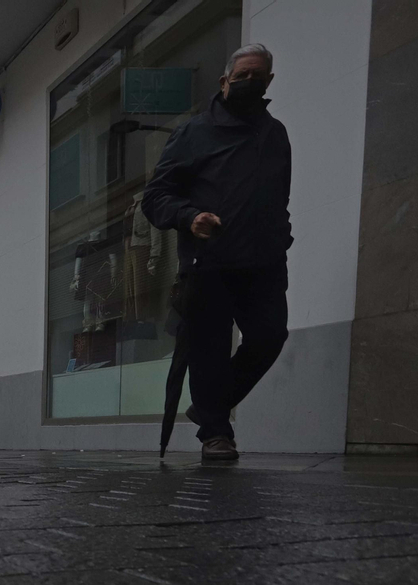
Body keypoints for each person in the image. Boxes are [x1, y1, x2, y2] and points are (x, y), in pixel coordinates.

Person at [142, 43, 291, 462]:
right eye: (241, 75)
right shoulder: (194, 132)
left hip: (263, 263)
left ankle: (209, 406)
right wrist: (190, 218)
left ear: (269, 81)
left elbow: (280, 196)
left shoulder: (275, 133)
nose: (249, 82)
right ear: (225, 81)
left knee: (269, 336)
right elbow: (155, 198)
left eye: (257, 76)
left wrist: (283, 236)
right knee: (208, 349)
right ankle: (215, 433)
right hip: (209, 263)